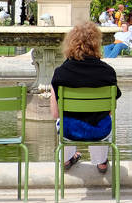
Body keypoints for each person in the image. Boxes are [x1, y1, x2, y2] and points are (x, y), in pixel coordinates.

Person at [51, 21, 122, 174]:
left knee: (64, 121)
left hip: (69, 130)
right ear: (96, 44)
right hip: (99, 131)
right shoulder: (108, 72)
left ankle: (65, 159)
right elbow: (109, 111)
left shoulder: (60, 72)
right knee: (100, 119)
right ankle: (102, 162)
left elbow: (55, 114)